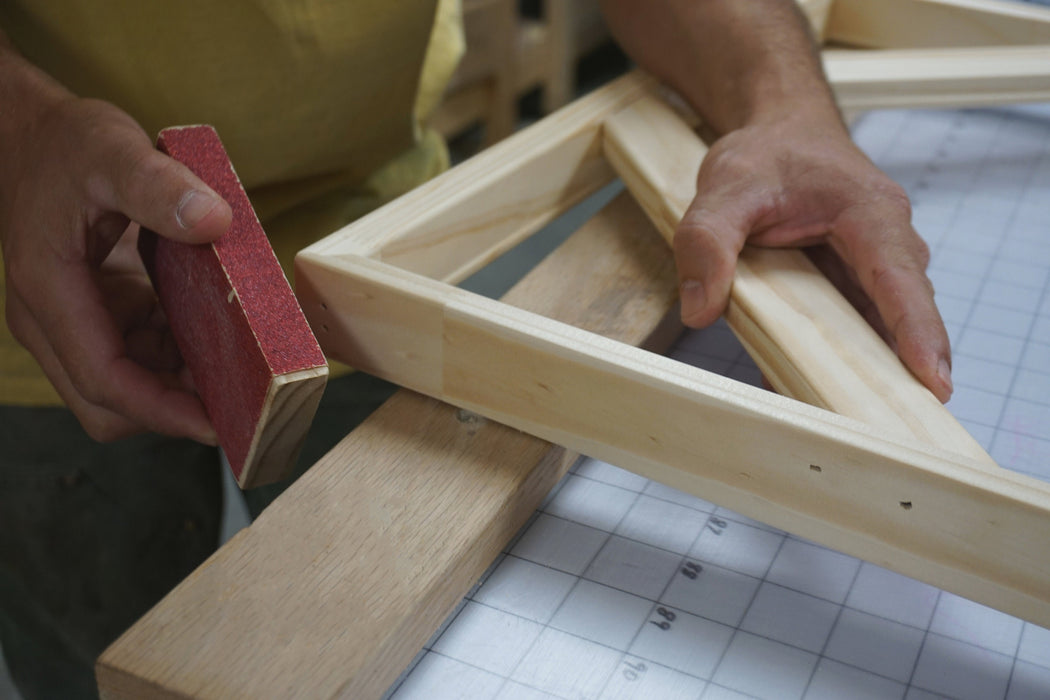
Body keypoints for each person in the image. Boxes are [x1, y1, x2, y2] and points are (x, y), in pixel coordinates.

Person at [0, 1, 951, 697]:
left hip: (367, 237)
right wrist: (28, 130)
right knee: (104, 648)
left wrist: (783, 104)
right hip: (45, 249)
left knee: (369, 604)